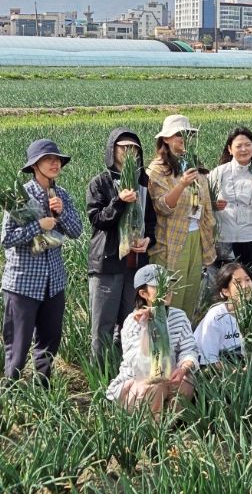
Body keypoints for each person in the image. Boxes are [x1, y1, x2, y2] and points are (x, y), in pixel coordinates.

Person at [1, 139, 83, 383]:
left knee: (49, 342)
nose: (55, 163)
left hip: (53, 283)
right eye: (48, 159)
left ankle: (43, 390)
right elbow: (6, 238)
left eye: (57, 159)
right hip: (23, 284)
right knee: (17, 346)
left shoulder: (62, 195)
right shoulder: (19, 196)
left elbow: (76, 231)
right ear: (34, 165)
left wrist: (61, 213)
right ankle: (13, 393)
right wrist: (38, 225)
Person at [87, 128, 156, 367]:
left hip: (135, 266)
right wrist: (119, 201)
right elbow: (97, 220)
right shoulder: (100, 182)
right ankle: (101, 374)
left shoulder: (143, 182)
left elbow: (150, 221)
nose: (129, 152)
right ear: (112, 150)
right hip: (107, 264)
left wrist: (148, 240)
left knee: (130, 323)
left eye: (134, 148)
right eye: (123, 147)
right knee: (103, 326)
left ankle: (125, 372)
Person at [105, 264, 199, 418]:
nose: (166, 290)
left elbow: (189, 350)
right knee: (156, 387)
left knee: (186, 382)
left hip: (170, 377)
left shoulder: (179, 316)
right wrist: (147, 326)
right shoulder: (133, 322)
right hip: (137, 383)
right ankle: (151, 428)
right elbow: (139, 364)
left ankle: (170, 425)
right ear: (143, 293)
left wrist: (183, 369)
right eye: (158, 286)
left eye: (167, 284)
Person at [147, 114, 215, 321]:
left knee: (190, 295)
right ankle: (166, 337)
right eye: (179, 134)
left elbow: (204, 203)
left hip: (196, 237)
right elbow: (162, 207)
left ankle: (185, 336)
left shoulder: (193, 164)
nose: (184, 138)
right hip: (171, 241)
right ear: (166, 139)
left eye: (187, 134)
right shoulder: (157, 170)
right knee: (171, 296)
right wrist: (182, 184)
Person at [209, 127, 252, 293]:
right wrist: (213, 204)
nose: (244, 149)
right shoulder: (218, 173)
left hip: (250, 238)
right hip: (225, 238)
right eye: (238, 146)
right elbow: (204, 200)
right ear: (230, 149)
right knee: (226, 287)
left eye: (248, 145)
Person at [194, 262, 252, 366]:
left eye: (247, 280)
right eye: (238, 282)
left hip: (245, 366)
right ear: (225, 291)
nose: (245, 286)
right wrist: (240, 372)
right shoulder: (216, 316)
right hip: (215, 368)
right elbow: (210, 361)